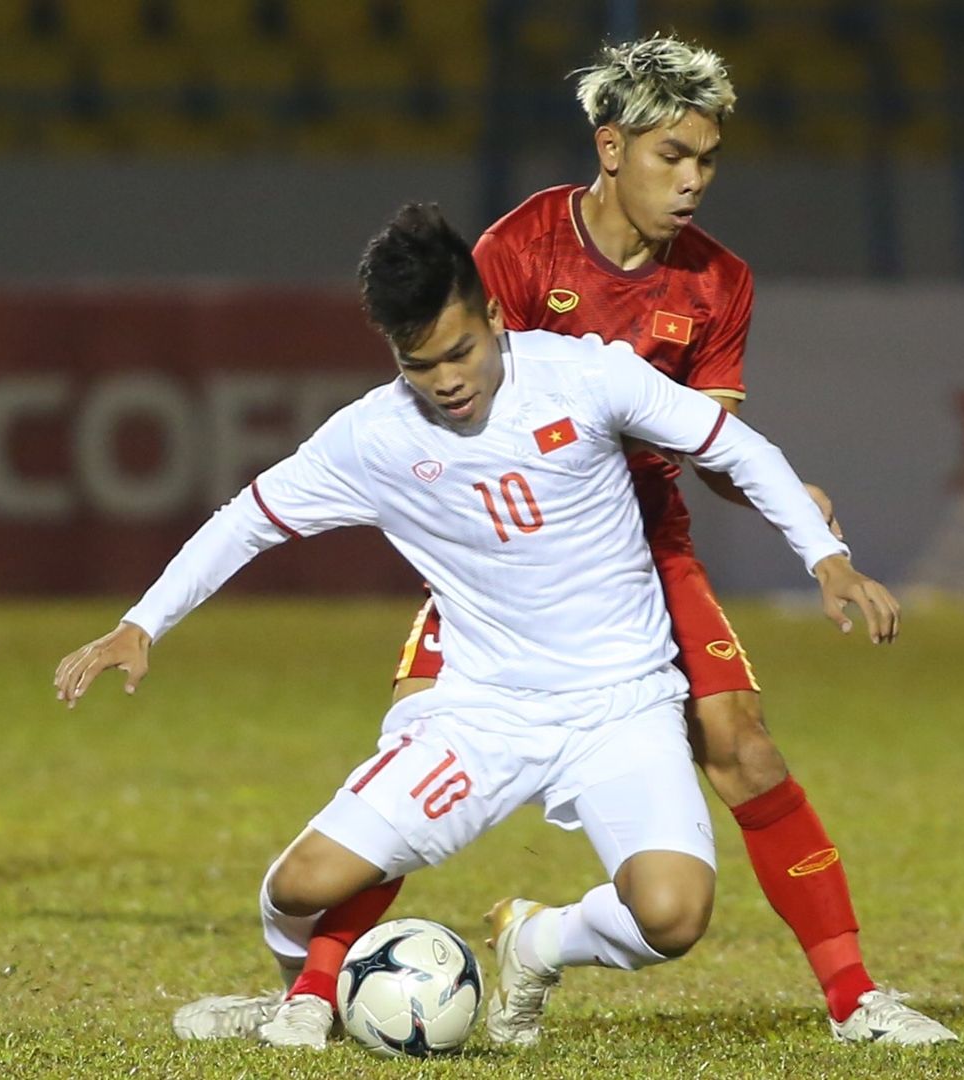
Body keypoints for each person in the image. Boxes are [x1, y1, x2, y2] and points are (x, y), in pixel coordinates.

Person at [53, 205, 950, 1050]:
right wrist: (141, 625)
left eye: (460, 351)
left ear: (492, 314)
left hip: (621, 708)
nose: (447, 380)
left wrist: (825, 559)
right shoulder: (370, 438)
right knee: (298, 887)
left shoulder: (586, 375)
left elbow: (734, 446)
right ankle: (302, 991)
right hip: (481, 716)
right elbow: (246, 519)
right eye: (420, 365)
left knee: (674, 914)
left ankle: (538, 939)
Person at [390, 35, 921, 1041]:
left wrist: (780, 494)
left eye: (707, 159)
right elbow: (460, 411)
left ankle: (855, 998)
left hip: (645, 545)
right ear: (610, 147)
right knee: (418, 751)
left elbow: (710, 445)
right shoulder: (516, 251)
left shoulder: (719, 282)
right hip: (512, 547)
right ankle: (304, 995)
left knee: (744, 749)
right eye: (672, 155)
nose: (693, 181)